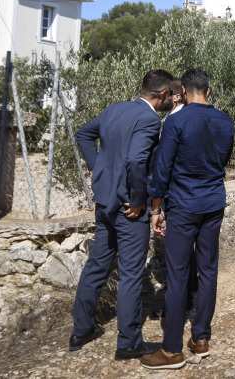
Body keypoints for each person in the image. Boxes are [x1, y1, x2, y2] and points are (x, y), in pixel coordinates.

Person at [69, 69, 175, 360]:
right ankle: (128, 343)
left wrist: (100, 169)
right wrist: (140, 200)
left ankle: (81, 331)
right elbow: (136, 160)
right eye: (169, 96)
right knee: (130, 274)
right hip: (130, 208)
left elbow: (83, 134)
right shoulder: (149, 120)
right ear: (163, 94)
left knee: (97, 265)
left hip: (104, 203)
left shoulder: (114, 109)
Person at [141, 68, 235, 370]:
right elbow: (224, 160)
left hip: (183, 206)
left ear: (183, 90)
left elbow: (162, 169)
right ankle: (201, 338)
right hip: (212, 204)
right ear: (208, 92)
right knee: (208, 270)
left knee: (178, 274)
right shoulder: (226, 121)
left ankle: (171, 350)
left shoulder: (176, 121)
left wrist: (156, 209)